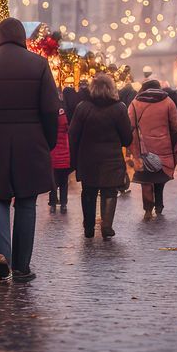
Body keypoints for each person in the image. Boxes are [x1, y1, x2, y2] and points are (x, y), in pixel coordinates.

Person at [0, 18, 61, 283]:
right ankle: (21, 266)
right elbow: (51, 110)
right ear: (22, 37)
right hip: (31, 140)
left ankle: (1, 255)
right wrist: (47, 141)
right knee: (27, 202)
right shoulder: (39, 64)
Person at [69, 74, 133, 238]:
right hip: (111, 159)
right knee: (110, 191)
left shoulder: (83, 107)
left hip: (87, 158)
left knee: (88, 192)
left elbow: (73, 135)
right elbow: (127, 138)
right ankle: (106, 225)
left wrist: (74, 161)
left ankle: (88, 227)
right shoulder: (119, 108)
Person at [127, 79, 177, 219]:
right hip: (163, 147)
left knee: (146, 179)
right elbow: (176, 126)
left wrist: (132, 148)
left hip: (142, 147)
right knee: (159, 175)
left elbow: (130, 126)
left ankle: (147, 208)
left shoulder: (135, 103)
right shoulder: (168, 101)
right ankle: (159, 205)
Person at [48, 106, 71, 209]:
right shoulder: (65, 120)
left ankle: (52, 204)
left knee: (53, 182)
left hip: (53, 156)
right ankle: (63, 204)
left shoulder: (51, 121)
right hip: (65, 157)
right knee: (64, 183)